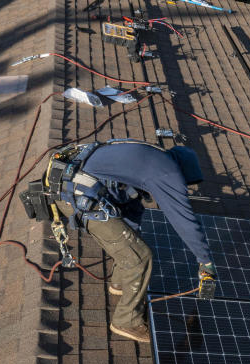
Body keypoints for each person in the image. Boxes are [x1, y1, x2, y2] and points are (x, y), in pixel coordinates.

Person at [46, 139, 215, 342]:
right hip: (77, 195)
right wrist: (205, 262)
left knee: (131, 244)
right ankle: (127, 321)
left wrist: (131, 238)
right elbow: (183, 220)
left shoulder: (151, 155)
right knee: (140, 257)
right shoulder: (168, 173)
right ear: (182, 172)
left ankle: (119, 283)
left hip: (66, 182)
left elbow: (130, 205)